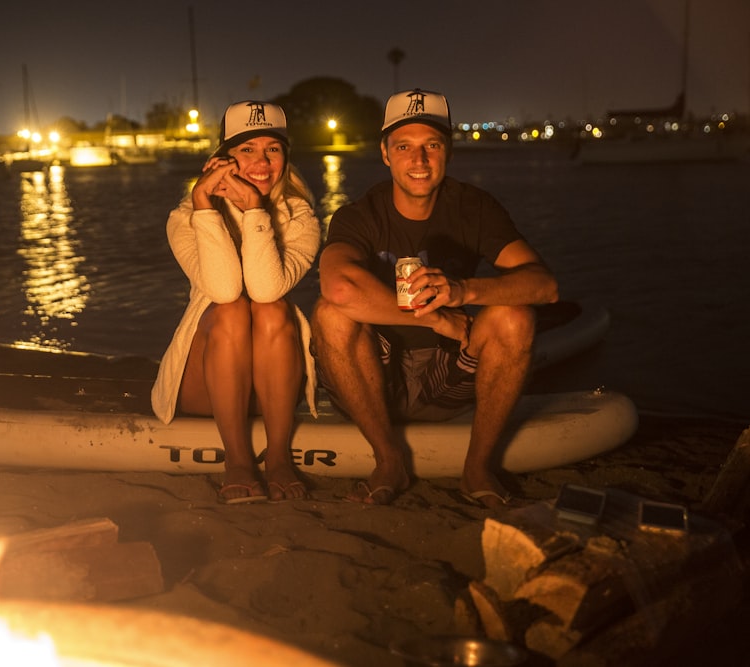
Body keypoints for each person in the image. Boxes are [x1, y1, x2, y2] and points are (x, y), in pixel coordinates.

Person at [310, 88, 559, 508]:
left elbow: (544, 286)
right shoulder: (359, 215)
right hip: (376, 379)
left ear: (449, 152)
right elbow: (337, 287)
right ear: (386, 154)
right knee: (330, 314)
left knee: (516, 318)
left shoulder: (473, 208)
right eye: (404, 146)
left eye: (432, 145)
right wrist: (436, 317)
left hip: (450, 375)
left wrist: (464, 290)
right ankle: (388, 459)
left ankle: (478, 468)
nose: (419, 161)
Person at [151, 101, 321, 504]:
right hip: (204, 384)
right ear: (221, 160)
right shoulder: (184, 218)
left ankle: (278, 456)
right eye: (247, 150)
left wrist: (255, 211)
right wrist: (206, 207)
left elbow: (265, 289)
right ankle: (239, 461)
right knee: (229, 309)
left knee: (272, 307)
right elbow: (225, 290)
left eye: (273, 149)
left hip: (272, 385)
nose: (262, 162)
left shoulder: (301, 218)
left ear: (285, 158)